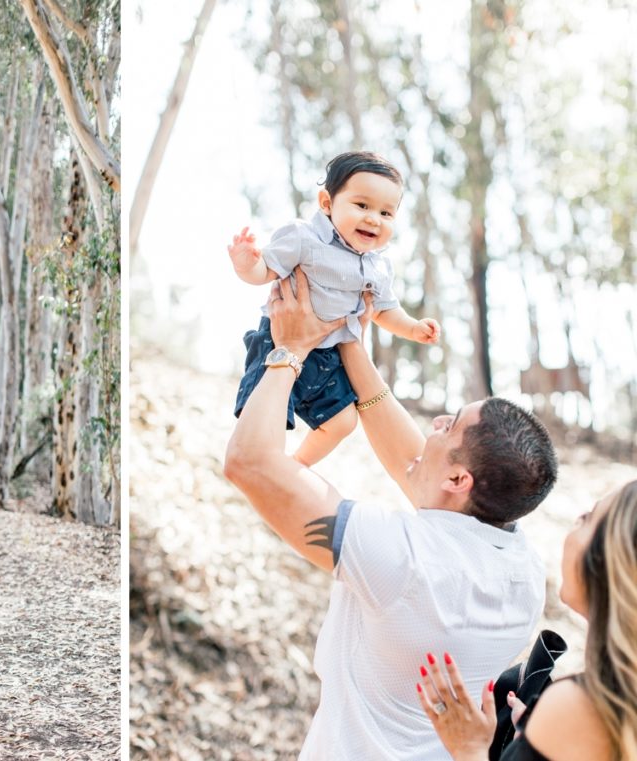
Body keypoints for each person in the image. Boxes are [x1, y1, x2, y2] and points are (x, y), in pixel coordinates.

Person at [222, 268, 558, 760]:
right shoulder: (524, 572)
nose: (438, 422)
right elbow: (418, 469)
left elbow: (248, 463)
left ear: (460, 480)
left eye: (452, 424)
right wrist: (350, 337)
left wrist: (287, 350)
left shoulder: (399, 558)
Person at [228, 151, 441, 466]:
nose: (373, 219)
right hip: (278, 341)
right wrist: (247, 263)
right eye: (362, 205)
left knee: (343, 423)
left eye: (386, 213)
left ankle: (295, 465)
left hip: (329, 358)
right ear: (327, 203)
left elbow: (383, 310)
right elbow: (266, 272)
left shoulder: (379, 266)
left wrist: (412, 328)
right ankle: (260, 462)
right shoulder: (303, 237)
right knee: (267, 417)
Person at [415, 480, 637, 761]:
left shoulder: (585, 707)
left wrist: (469, 748)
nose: (575, 523)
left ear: (610, 562)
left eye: (588, 518)